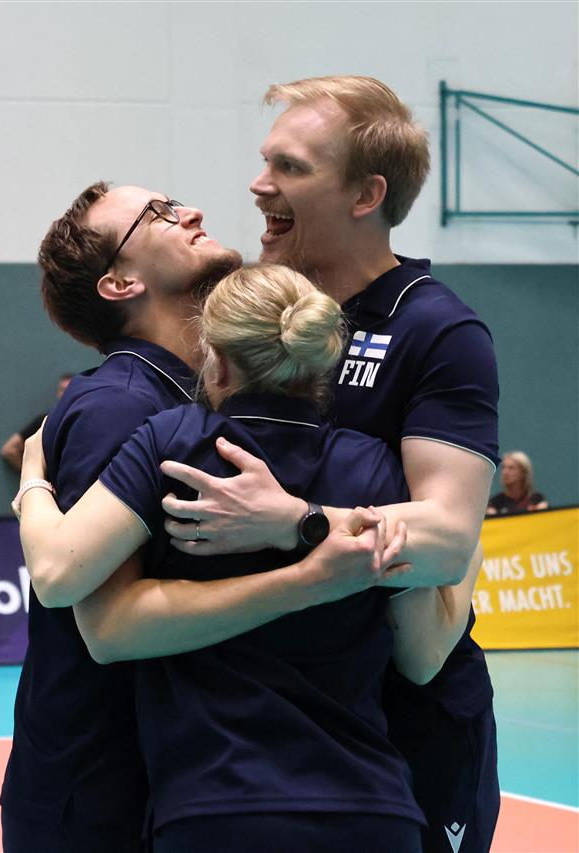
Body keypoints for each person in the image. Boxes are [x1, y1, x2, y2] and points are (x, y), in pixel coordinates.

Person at [162, 75, 501, 853]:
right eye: (265, 161)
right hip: (253, 716)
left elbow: (448, 538)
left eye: (290, 167)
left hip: (403, 722)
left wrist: (302, 522)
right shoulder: (252, 312)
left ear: (366, 195)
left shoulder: (436, 330)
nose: (259, 184)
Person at [18, 263, 446, 850]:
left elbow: (56, 574)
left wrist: (32, 481)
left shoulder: (177, 443)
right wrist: (463, 548)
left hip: (217, 805)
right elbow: (421, 655)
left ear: (215, 362)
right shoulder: (374, 466)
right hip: (374, 810)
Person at [1, 182, 242, 852]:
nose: (191, 212)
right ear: (119, 283)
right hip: (101, 802)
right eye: (159, 214)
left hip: (169, 783)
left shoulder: (193, 393)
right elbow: (104, 619)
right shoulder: (121, 405)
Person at [0, 374, 73, 471]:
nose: (66, 394)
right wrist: (33, 476)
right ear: (58, 393)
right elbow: (9, 450)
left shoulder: (87, 422)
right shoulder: (46, 421)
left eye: (70, 389)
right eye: (63, 390)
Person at [486, 451, 547, 515]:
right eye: (503, 467)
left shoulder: (537, 500)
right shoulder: (495, 503)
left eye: (511, 468)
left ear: (523, 472)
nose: (505, 472)